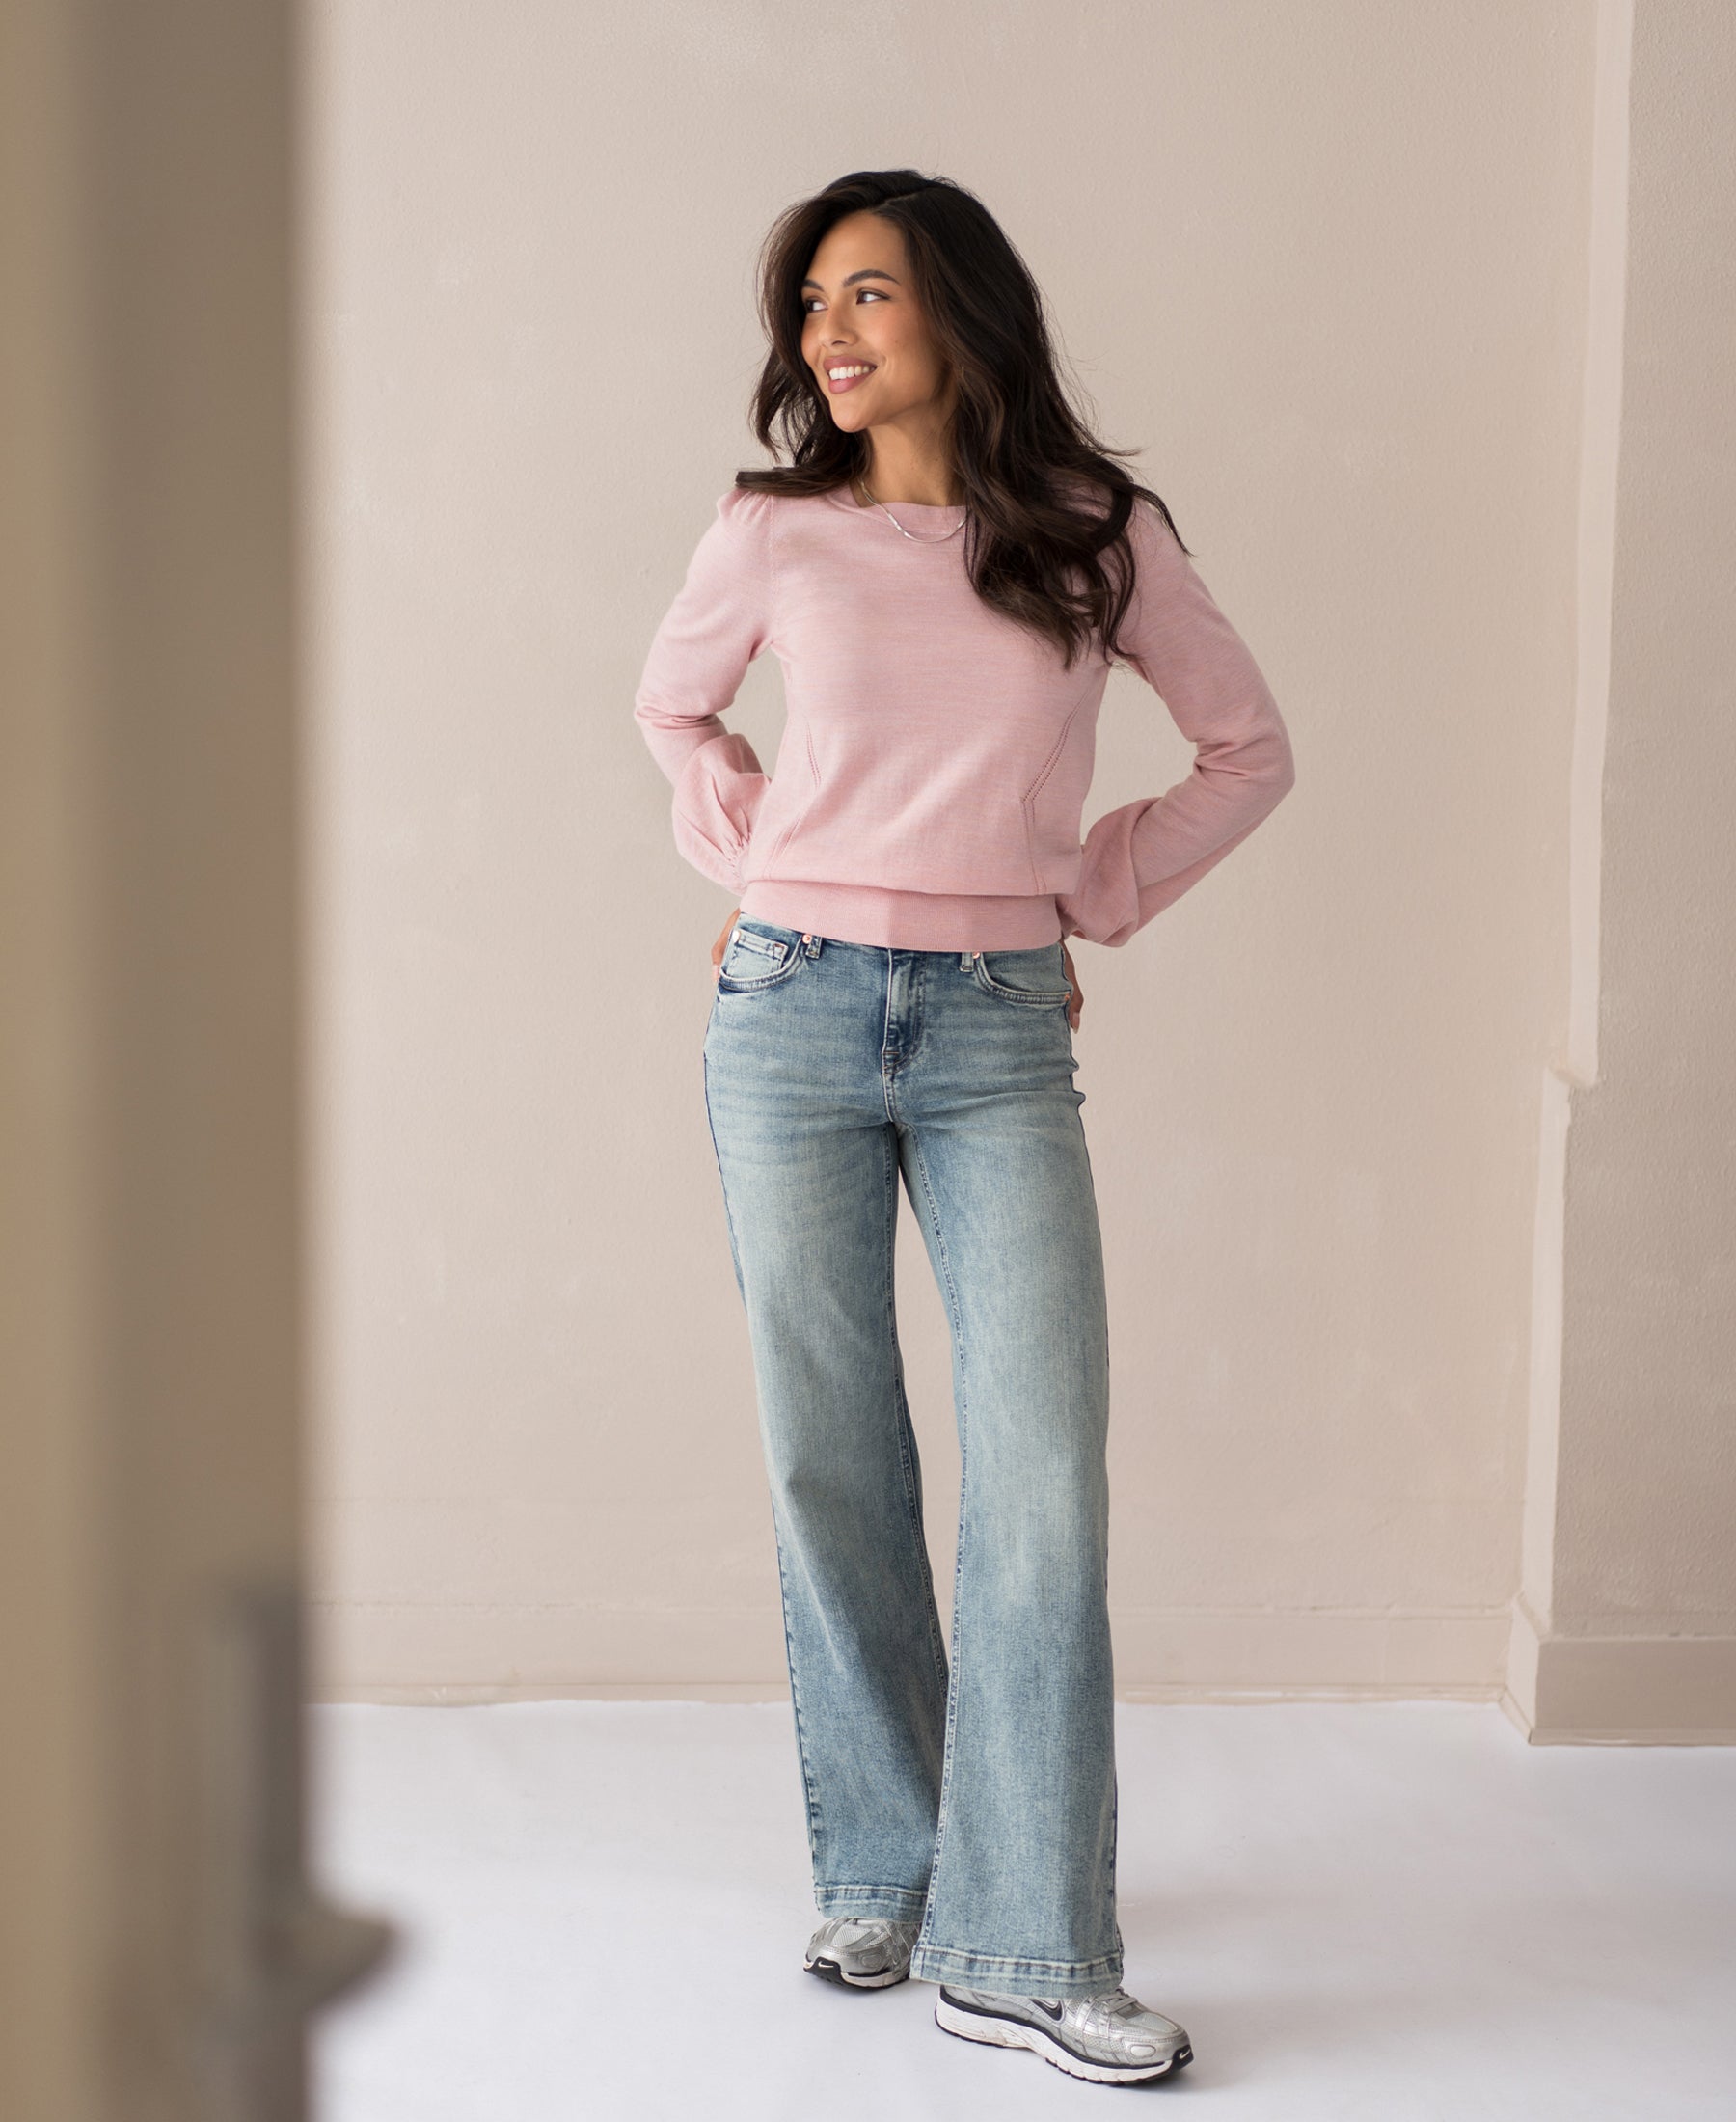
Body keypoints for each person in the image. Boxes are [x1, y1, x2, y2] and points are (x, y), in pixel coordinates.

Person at [633, 168, 1294, 2087]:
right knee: (830, 1458)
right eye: (810, 303)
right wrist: (761, 853)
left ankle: (1031, 1941)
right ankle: (893, 1860)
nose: (829, 334)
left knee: (1042, 1482)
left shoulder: (1100, 530)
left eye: (867, 295)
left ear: (963, 313)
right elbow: (674, 713)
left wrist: (1090, 887)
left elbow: (1250, 746)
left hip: (1001, 1022)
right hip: (784, 1017)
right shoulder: (773, 531)